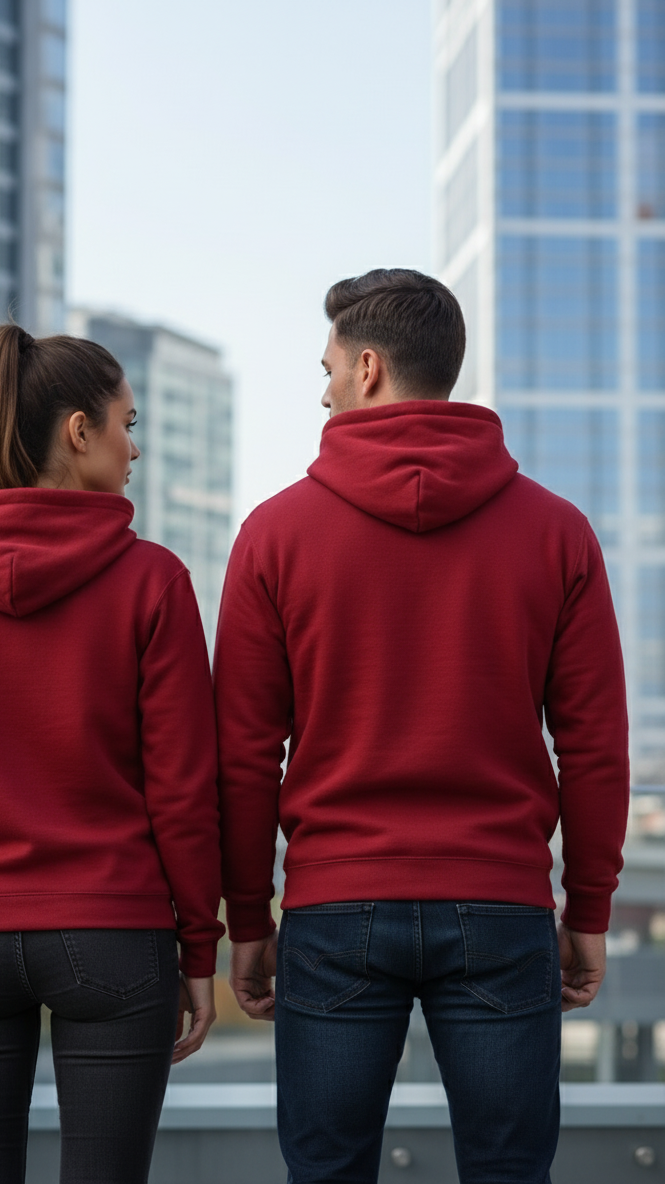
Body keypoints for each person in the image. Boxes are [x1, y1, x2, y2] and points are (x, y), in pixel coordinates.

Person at [213, 269, 629, 1184]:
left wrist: (249, 918)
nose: (321, 390)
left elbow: (243, 754)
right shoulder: (559, 533)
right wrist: (589, 910)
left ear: (367, 369)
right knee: (510, 1171)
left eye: (325, 369)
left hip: (333, 905)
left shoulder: (273, 536)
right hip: (502, 900)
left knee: (326, 1173)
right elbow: (594, 744)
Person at [0, 325, 223, 1184]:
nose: (133, 448)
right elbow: (182, 792)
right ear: (77, 431)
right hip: (115, 933)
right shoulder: (153, 581)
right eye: (125, 424)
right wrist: (200, 950)